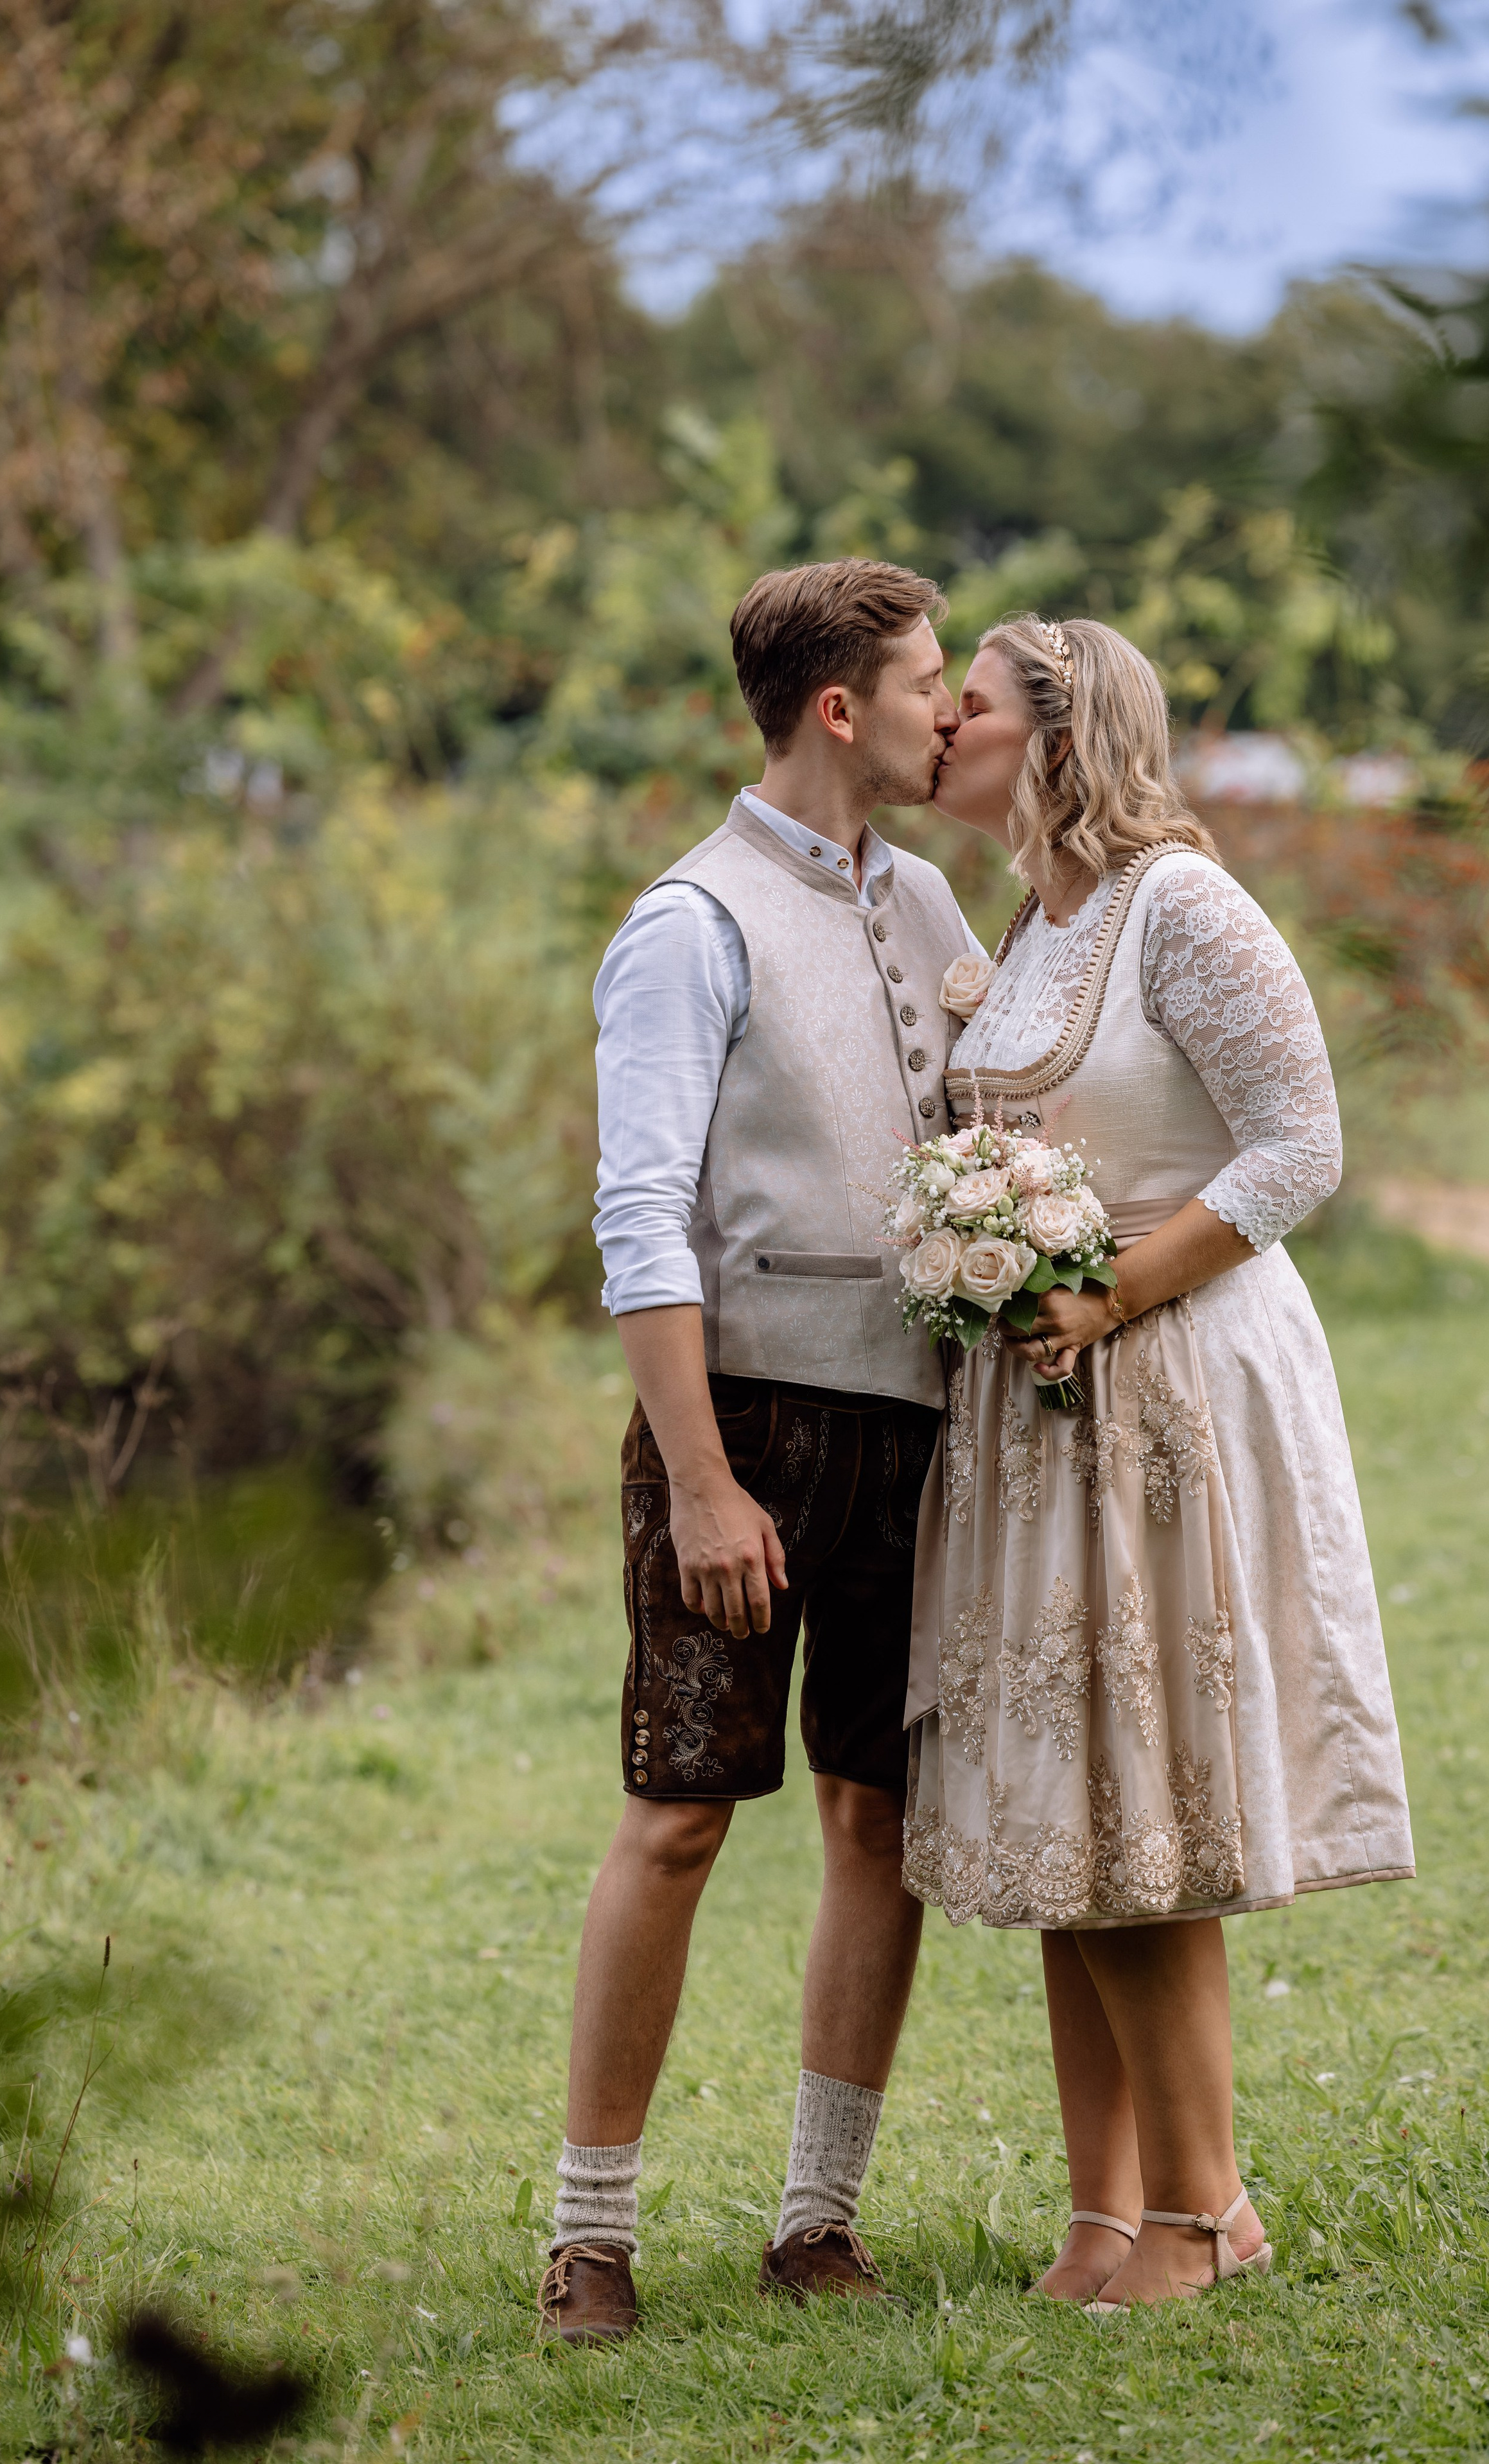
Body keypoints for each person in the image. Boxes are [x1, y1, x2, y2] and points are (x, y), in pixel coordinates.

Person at [900, 613, 1413, 2309]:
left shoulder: (1180, 905)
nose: (941, 724)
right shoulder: (1025, 922)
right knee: (1075, 1801)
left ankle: (1204, 2212)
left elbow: (1301, 1144)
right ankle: (1104, 2210)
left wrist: (1113, 1289)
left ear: (1056, 737)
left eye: (969, 703)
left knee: (1149, 1807)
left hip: (1171, 1383)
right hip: (1039, 1413)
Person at [536, 559, 987, 2344]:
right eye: (929, 681)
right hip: (742, 1429)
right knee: (678, 1818)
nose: (951, 708)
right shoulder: (688, 921)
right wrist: (703, 1482)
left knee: (879, 1814)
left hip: (915, 1426)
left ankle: (820, 2221)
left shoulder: (931, 897)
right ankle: (589, 2237)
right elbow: (637, 1217)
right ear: (839, 708)